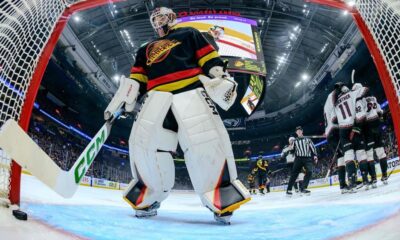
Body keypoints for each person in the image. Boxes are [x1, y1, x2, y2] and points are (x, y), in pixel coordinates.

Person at [104, 7, 250, 224]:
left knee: (207, 143)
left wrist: (219, 76)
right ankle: (148, 194)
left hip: (190, 92)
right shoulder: (144, 49)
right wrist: (121, 101)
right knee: (144, 147)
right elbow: (137, 79)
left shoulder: (188, 33)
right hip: (155, 98)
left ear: (171, 18)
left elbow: (209, 58)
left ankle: (220, 195)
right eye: (154, 18)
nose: (157, 20)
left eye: (161, 16)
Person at [333, 82, 369, 190]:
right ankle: (365, 180)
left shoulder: (335, 103)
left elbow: (334, 119)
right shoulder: (353, 94)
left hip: (343, 130)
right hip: (354, 127)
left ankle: (352, 182)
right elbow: (366, 89)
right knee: (361, 154)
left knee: (348, 157)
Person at [355, 83, 388, 185]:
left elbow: (360, 116)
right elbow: (380, 112)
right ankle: (384, 175)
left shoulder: (359, 100)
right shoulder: (373, 98)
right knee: (381, 152)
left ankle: (373, 178)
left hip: (367, 127)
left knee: (369, 155)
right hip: (377, 126)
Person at [323, 88, 351, 193]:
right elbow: (335, 119)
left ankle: (343, 185)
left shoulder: (326, 106)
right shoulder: (330, 99)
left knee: (341, 157)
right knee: (345, 154)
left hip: (330, 134)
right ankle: (344, 184)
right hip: (334, 132)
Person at [286, 126, 318, 197]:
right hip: (298, 159)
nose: (299, 131)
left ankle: (303, 188)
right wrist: (290, 148)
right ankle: (289, 190)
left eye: (300, 130)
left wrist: (315, 155)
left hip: (307, 158)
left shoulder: (308, 139)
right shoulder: (295, 141)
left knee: (309, 171)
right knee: (294, 174)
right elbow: (292, 151)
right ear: (296, 132)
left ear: (302, 131)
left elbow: (313, 147)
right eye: (297, 131)